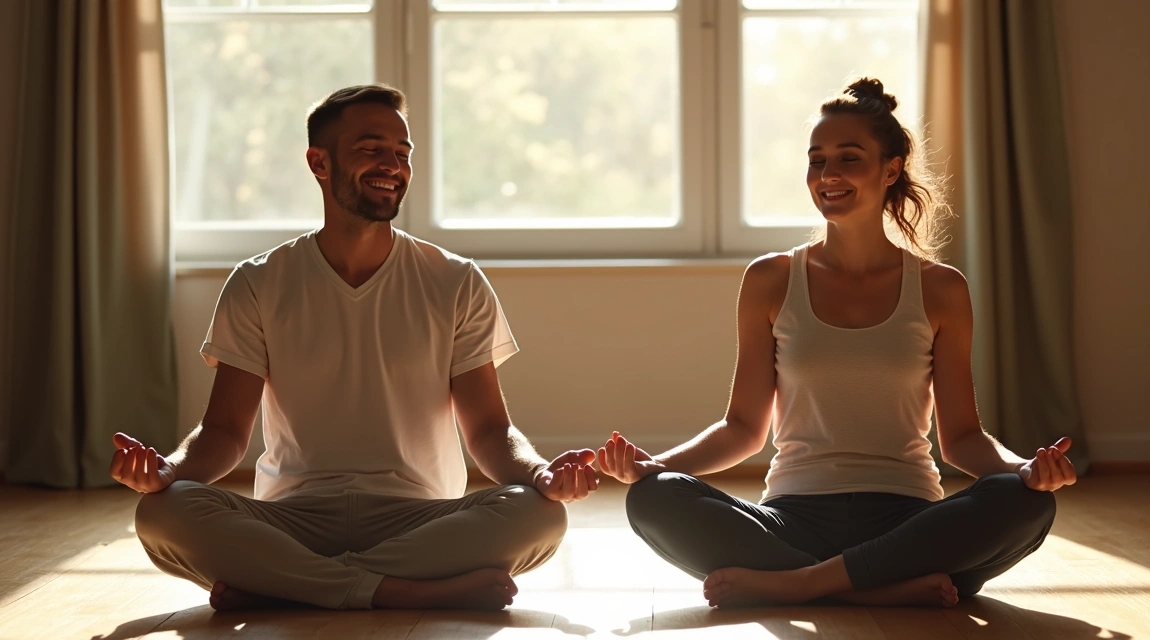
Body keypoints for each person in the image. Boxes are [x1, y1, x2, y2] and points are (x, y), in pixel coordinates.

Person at [110, 84, 599, 612]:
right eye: (371, 149)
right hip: (293, 518)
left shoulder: (456, 281)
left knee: (540, 514)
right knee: (161, 511)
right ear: (319, 163)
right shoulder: (258, 282)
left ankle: (290, 585)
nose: (393, 165)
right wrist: (167, 472)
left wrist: (541, 474)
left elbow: (488, 430)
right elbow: (225, 432)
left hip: (419, 519)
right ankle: (397, 591)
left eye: (403, 152)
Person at [597, 78, 1076, 609]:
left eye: (849, 158)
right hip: (794, 518)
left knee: (1027, 502)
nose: (828, 175)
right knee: (654, 497)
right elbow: (743, 429)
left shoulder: (941, 288)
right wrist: (655, 467)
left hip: (907, 519)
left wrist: (1023, 470)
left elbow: (962, 438)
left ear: (890, 169)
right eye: (816, 160)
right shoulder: (770, 280)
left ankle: (804, 585)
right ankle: (879, 588)